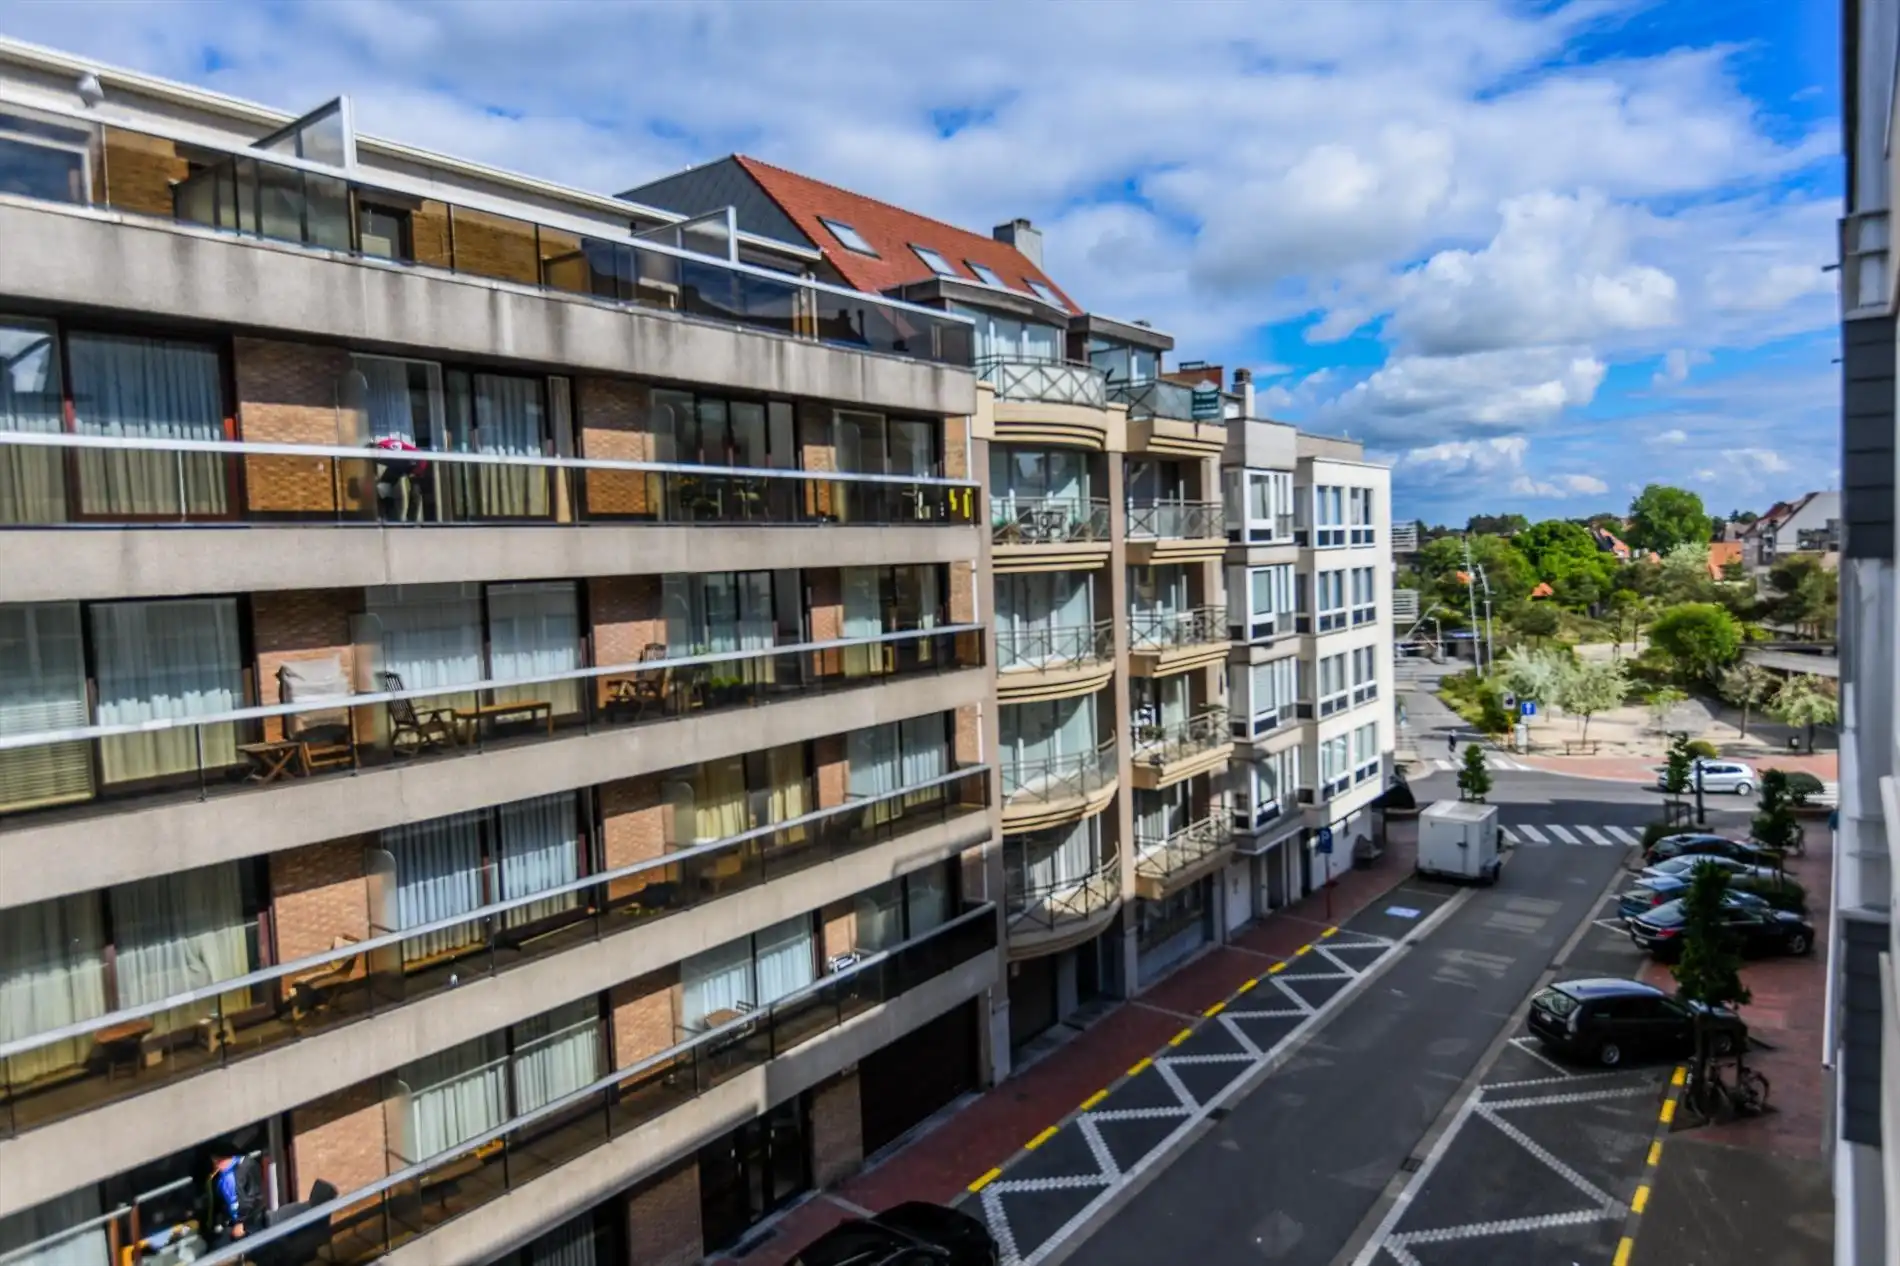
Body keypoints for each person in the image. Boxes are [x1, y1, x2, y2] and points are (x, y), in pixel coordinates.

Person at [206, 1142, 265, 1245]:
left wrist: (242, 1223)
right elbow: (219, 1205)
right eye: (214, 1161)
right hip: (232, 1224)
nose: (216, 1164)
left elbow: (255, 1197)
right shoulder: (218, 1179)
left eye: (219, 1160)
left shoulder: (246, 1166)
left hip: (253, 1220)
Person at [372, 434, 430, 523]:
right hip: (397, 465)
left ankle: (411, 521)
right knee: (382, 488)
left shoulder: (388, 446)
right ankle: (388, 515)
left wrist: (415, 472)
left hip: (415, 463)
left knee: (415, 492)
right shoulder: (377, 455)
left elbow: (399, 449)